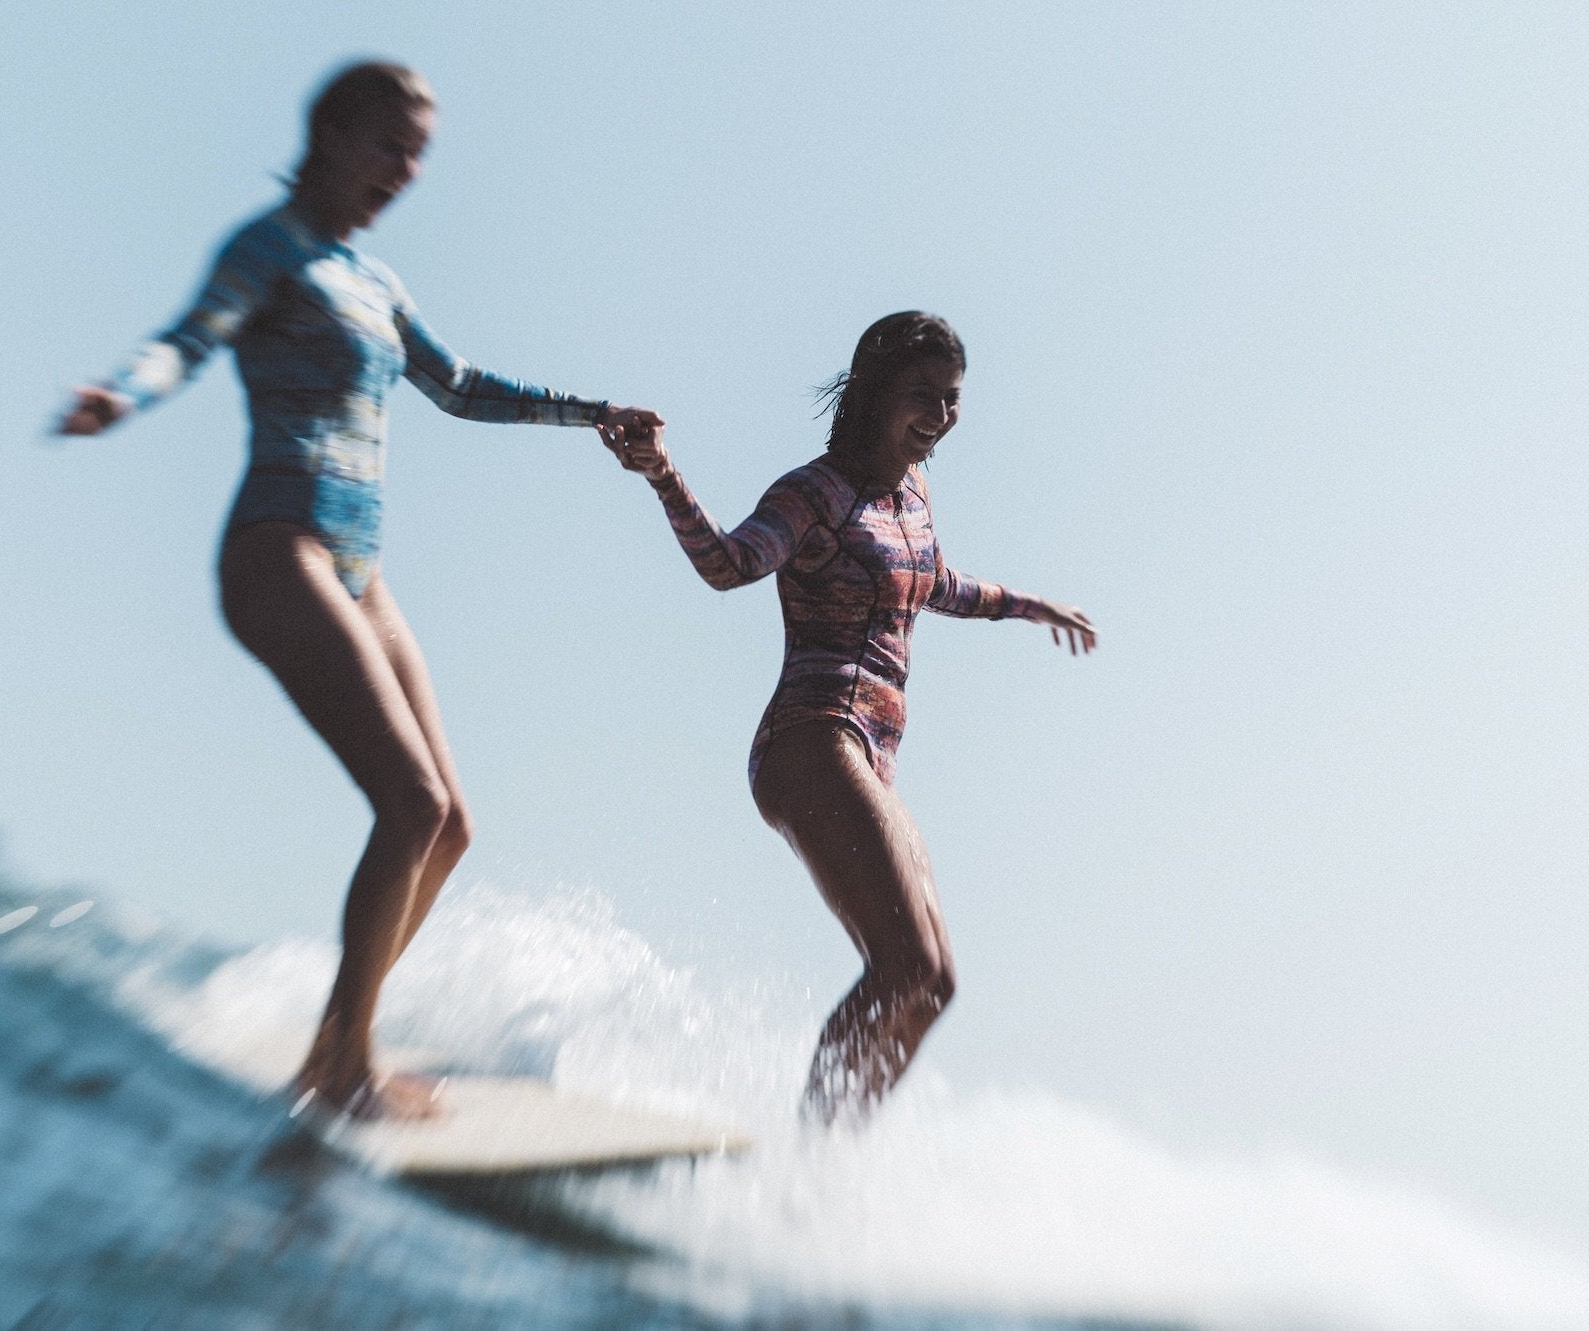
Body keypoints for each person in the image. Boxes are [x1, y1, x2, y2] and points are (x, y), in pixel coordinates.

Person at [55, 61, 659, 1119]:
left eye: (418, 153)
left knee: (450, 824)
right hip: (278, 549)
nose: (405, 170)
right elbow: (187, 340)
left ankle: (335, 1047)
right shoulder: (267, 249)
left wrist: (592, 412)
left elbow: (456, 386)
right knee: (408, 801)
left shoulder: (374, 282)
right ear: (329, 134)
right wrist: (120, 393)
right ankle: (347, 1067)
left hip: (361, 571)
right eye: (390, 144)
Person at [616, 311, 1094, 1123]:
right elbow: (730, 564)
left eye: (952, 398)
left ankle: (831, 1163)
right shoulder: (814, 493)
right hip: (811, 736)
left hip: (873, 753)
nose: (940, 415)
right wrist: (664, 474)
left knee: (933, 981)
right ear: (874, 391)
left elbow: (937, 582)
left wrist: (1027, 603)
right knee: (902, 964)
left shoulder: (914, 497)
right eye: (922, 394)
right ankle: (807, 1157)